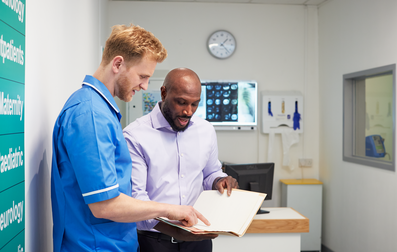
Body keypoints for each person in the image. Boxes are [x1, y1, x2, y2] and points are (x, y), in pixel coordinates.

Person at [51, 25, 210, 252]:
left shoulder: (101, 110)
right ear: (117, 64)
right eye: (142, 76)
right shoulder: (91, 115)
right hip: (95, 246)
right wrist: (169, 209)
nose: (145, 86)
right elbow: (104, 205)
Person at [123, 67, 239, 252]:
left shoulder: (205, 130)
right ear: (163, 93)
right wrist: (174, 230)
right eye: (181, 102)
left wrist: (220, 180)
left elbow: (210, 173)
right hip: (154, 241)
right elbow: (136, 198)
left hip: (198, 240)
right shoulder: (135, 136)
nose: (188, 111)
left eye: (195, 104)